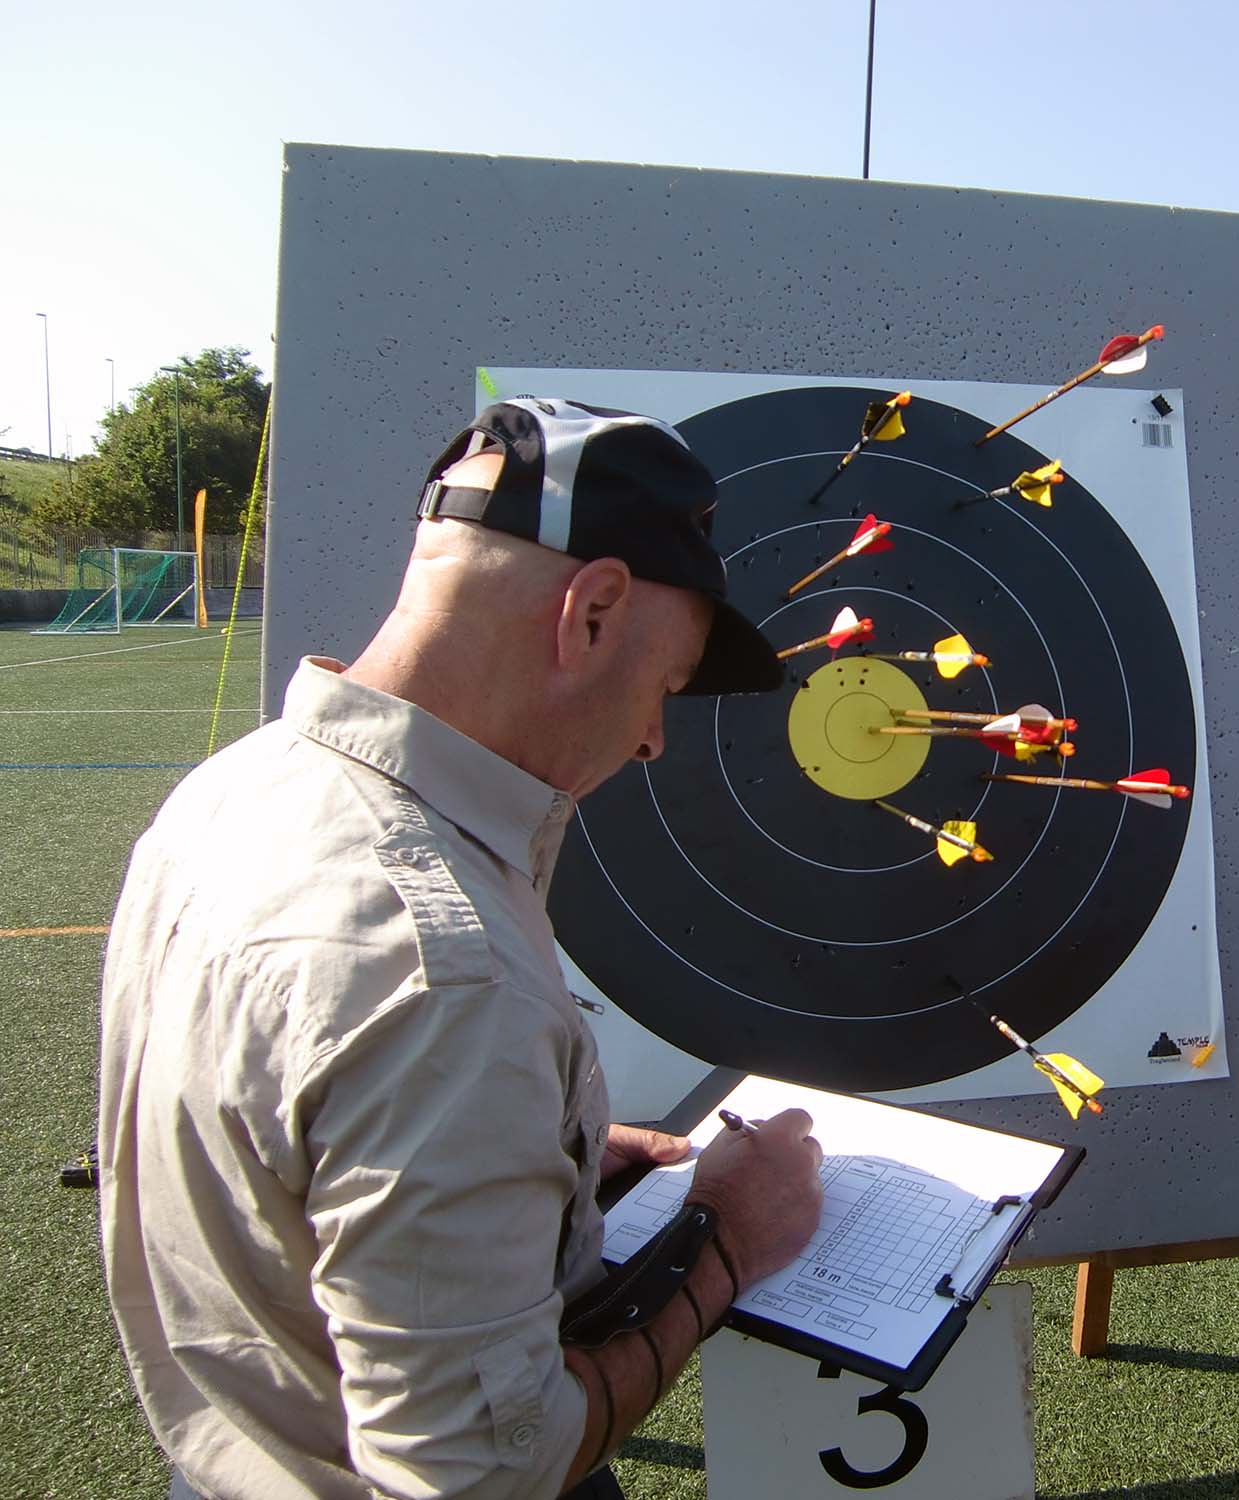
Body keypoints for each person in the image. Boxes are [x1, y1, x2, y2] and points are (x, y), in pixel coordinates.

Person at [99, 398, 827, 1500]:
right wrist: (727, 1242)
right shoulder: (441, 974)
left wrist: (535, 1163)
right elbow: (481, 1475)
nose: (650, 737)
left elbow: (296, 1136)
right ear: (592, 613)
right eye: (665, 685)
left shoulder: (238, 786)